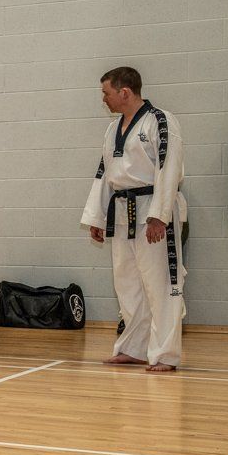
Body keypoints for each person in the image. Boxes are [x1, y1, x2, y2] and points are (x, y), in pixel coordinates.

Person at [81, 66, 186, 373]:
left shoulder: (160, 121)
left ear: (124, 92)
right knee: (127, 283)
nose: (104, 99)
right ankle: (133, 348)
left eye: (106, 93)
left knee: (161, 284)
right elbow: (104, 174)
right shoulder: (113, 129)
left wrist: (159, 216)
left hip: (152, 209)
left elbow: (169, 167)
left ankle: (165, 354)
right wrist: (97, 216)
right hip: (121, 212)